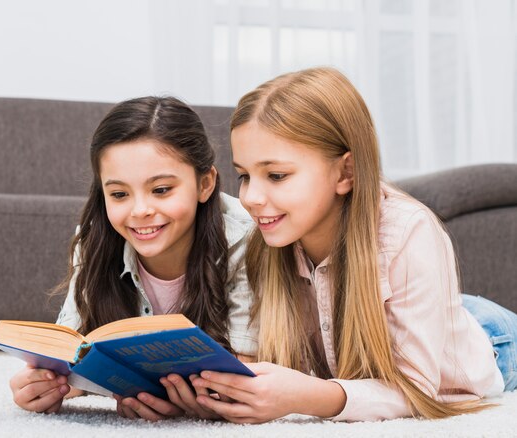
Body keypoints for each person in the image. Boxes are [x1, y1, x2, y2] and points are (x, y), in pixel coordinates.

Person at [190, 67, 517, 423]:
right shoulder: (266, 239)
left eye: (277, 176)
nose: (251, 197)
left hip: (493, 339)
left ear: (345, 173)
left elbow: (418, 388)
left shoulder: (408, 231)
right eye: (244, 176)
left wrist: (311, 396)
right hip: (431, 311)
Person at [8, 96, 257, 419]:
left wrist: (180, 397)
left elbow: (247, 366)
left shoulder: (246, 240)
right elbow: (71, 351)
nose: (140, 211)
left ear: (205, 184)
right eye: (119, 194)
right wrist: (46, 384)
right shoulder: (94, 240)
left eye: (162, 190)